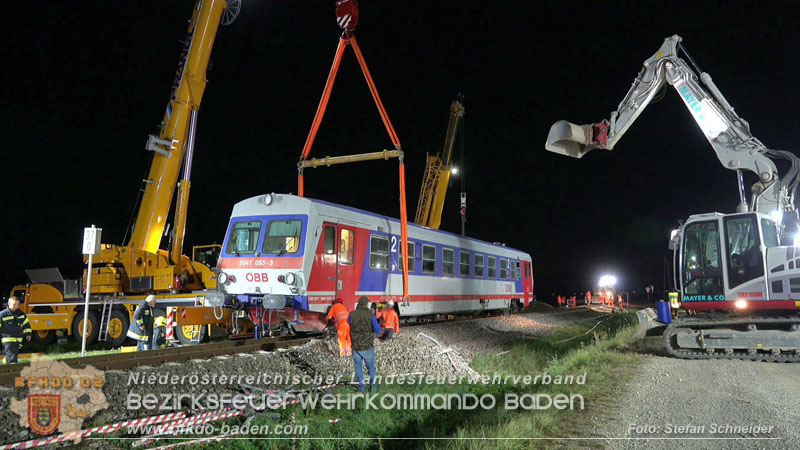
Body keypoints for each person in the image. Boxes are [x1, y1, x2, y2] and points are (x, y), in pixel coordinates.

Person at [348, 296, 381, 392]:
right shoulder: (370, 315)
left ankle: (361, 388)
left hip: (356, 346)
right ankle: (373, 388)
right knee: (370, 366)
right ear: (366, 304)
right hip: (367, 346)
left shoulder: (352, 314)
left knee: (358, 367)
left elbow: (348, 323)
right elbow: (377, 330)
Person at [1, 296, 32, 364]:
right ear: (9, 303)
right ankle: (13, 372)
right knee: (12, 358)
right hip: (7, 339)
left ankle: (2, 365)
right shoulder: (2, 314)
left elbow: (26, 324)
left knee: (12, 355)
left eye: (17, 304)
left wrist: (28, 334)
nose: (16, 306)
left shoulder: (21, 314)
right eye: (14, 304)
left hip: (18, 339)